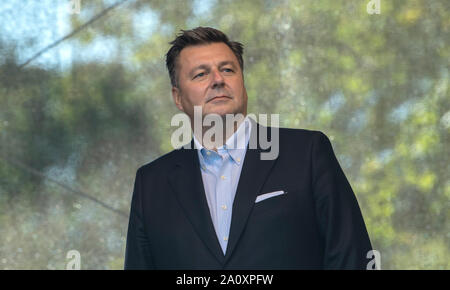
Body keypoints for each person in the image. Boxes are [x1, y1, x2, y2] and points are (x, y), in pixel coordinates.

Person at [124, 27, 372, 269]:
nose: (218, 80)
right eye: (201, 74)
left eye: (227, 69)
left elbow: (353, 258)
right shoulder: (151, 183)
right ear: (178, 97)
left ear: (243, 82)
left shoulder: (307, 153)